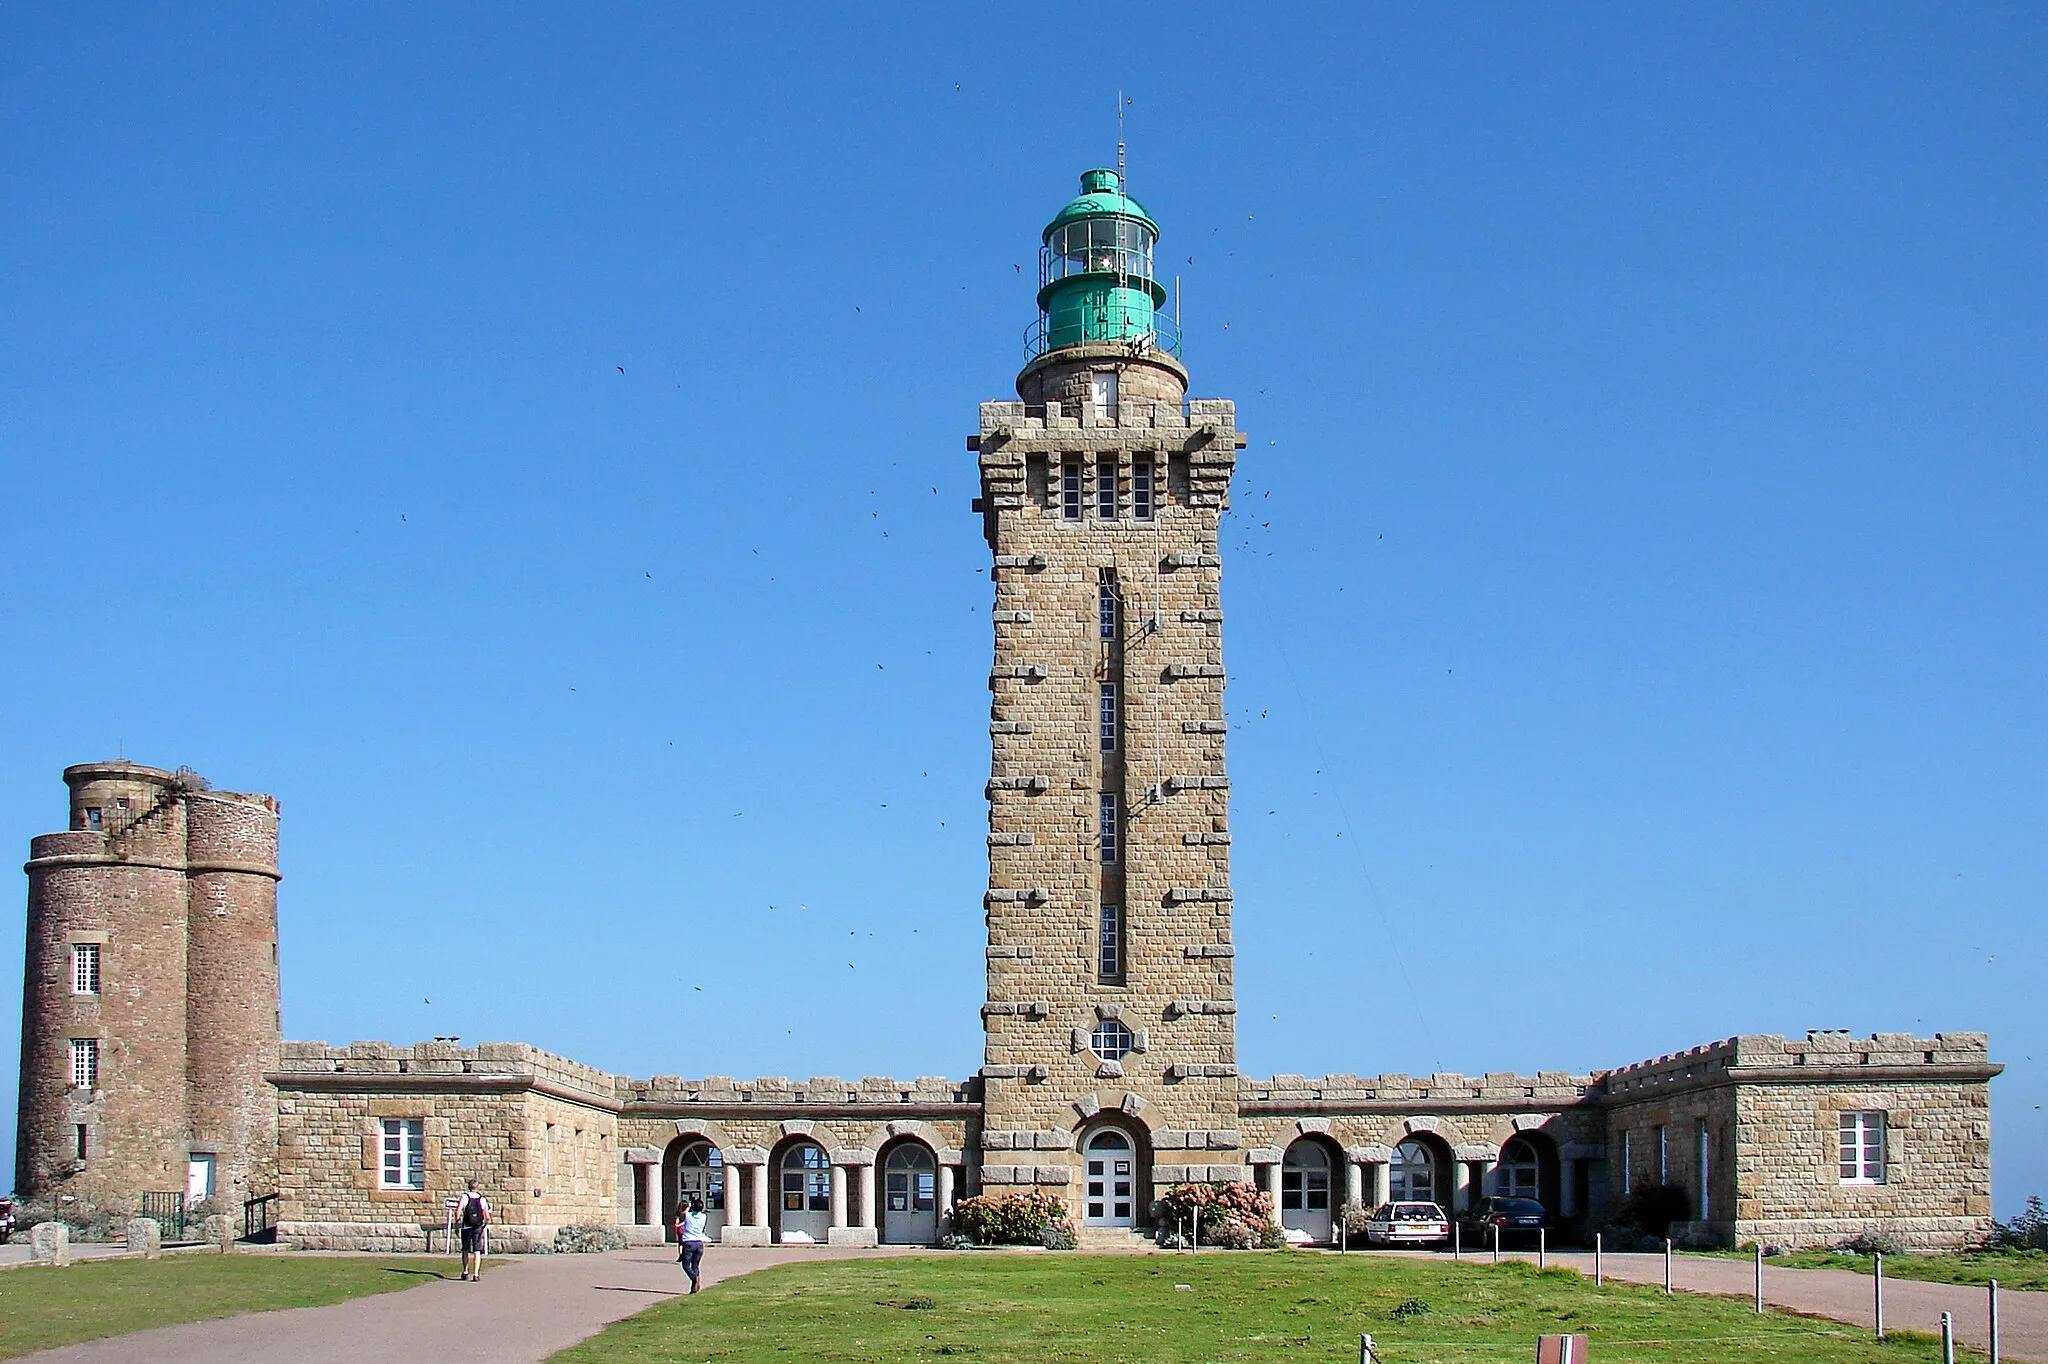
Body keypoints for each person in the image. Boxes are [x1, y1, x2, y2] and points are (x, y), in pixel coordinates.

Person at [456, 1179, 491, 1281]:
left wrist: (457, 1225)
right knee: (477, 1250)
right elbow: (487, 1216)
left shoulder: (464, 1197)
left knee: (465, 1249)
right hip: (477, 1227)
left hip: (466, 1226)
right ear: (477, 1187)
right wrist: (484, 1224)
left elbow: (457, 1212)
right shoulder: (482, 1199)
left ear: (468, 1187)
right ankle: (476, 1274)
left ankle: (465, 1271)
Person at [676, 1195, 709, 1293]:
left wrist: (689, 1204)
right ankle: (694, 1288)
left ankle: (694, 1278)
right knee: (695, 1265)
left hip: (689, 1242)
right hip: (699, 1243)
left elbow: (683, 1212)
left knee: (686, 1265)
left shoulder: (688, 1216)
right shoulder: (703, 1216)